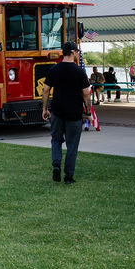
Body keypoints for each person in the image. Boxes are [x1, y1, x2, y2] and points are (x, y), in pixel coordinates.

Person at [41, 41, 91, 184]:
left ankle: (56, 164)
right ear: (73, 52)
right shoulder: (79, 72)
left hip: (57, 112)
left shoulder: (54, 69)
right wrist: (87, 111)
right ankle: (68, 177)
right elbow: (86, 94)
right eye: (77, 52)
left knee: (56, 140)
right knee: (72, 145)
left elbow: (45, 90)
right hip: (74, 114)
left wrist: (45, 109)